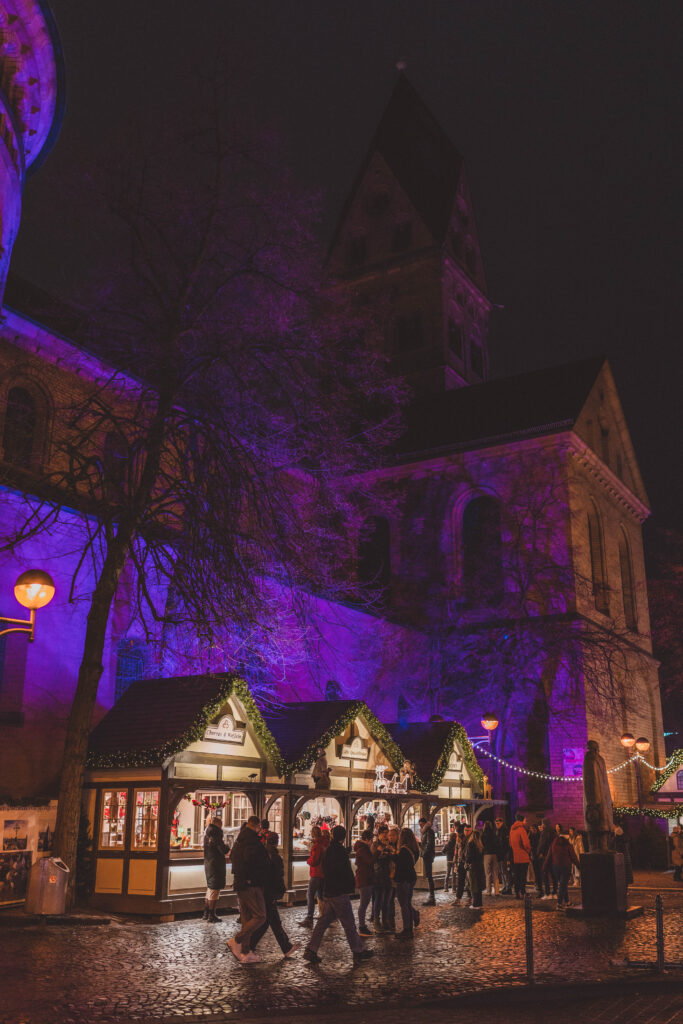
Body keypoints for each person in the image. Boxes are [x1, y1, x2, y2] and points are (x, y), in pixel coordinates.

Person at [303, 825, 373, 965]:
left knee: (323, 922)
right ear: (344, 837)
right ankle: (358, 950)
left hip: (329, 890)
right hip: (338, 892)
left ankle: (311, 950)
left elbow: (325, 868)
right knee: (349, 922)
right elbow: (343, 872)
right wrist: (349, 885)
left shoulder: (329, 850)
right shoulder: (339, 851)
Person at [227, 814, 271, 965]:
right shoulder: (252, 841)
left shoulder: (240, 839)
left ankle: (246, 952)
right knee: (260, 916)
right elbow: (254, 861)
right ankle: (237, 940)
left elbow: (232, 856)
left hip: (240, 883)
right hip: (251, 884)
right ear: (257, 826)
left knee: (247, 919)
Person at [249, 833, 297, 958]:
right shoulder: (275, 857)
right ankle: (246, 945)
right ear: (277, 842)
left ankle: (286, 947)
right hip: (270, 892)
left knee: (270, 921)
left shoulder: (262, 854)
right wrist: (280, 890)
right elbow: (277, 877)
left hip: (263, 891)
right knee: (269, 920)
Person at [543, 826, 579, 909]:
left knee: (563, 884)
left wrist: (544, 867)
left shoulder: (553, 844)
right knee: (563, 885)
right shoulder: (567, 845)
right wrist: (580, 866)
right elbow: (573, 857)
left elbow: (549, 856)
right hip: (566, 866)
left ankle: (567, 902)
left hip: (555, 867)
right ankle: (559, 903)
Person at [299, 825, 328, 928]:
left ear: (313, 834)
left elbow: (314, 861)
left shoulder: (317, 845)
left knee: (310, 895)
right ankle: (325, 917)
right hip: (324, 873)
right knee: (321, 896)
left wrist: (308, 860)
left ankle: (309, 918)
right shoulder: (325, 842)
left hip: (316, 873)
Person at [202, 815, 230, 922]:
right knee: (215, 889)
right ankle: (211, 915)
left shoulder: (207, 833)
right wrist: (227, 847)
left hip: (209, 863)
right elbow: (222, 849)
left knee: (210, 888)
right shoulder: (216, 833)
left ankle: (206, 913)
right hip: (216, 864)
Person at [395, 827, 420, 937]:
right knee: (407, 902)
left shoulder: (404, 850)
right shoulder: (414, 848)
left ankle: (407, 929)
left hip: (404, 879)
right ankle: (412, 918)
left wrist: (393, 856)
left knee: (404, 904)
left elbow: (401, 864)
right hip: (411, 877)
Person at [371, 822, 394, 932]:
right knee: (379, 899)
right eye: (383, 833)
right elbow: (373, 859)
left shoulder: (389, 844)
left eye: (387, 833)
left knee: (387, 900)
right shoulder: (375, 845)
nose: (385, 835)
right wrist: (382, 852)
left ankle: (385, 921)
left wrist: (390, 851)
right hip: (378, 875)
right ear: (379, 834)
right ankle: (376, 921)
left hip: (388, 875)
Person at [354, 827, 374, 936]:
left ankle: (362, 926)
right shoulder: (363, 849)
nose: (372, 843)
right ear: (367, 839)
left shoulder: (362, 848)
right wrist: (378, 852)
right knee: (364, 903)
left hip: (365, 878)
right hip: (364, 879)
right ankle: (361, 926)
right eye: (371, 840)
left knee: (364, 903)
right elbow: (370, 861)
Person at [509, 812, 532, 899]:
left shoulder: (512, 830)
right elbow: (526, 844)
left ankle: (517, 892)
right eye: (525, 820)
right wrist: (528, 850)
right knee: (523, 876)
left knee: (516, 876)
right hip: (523, 857)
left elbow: (510, 843)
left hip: (515, 857)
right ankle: (522, 892)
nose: (526, 822)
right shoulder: (522, 830)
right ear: (522, 820)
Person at [466, 826, 485, 910]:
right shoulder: (480, 845)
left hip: (473, 866)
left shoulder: (471, 844)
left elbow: (469, 856)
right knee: (479, 885)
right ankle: (479, 903)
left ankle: (475, 904)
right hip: (480, 866)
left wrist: (467, 861)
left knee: (473, 885)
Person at [537, 819, 557, 899]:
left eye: (542, 823)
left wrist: (539, 852)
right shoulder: (554, 832)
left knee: (545, 874)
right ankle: (555, 892)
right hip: (553, 855)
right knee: (553, 874)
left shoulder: (545, 832)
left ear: (544, 824)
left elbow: (542, 843)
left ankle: (548, 893)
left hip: (545, 855)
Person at [419, 816, 436, 905]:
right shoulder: (425, 832)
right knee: (429, 876)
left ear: (424, 823)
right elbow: (425, 844)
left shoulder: (429, 831)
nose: (420, 826)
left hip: (428, 856)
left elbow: (429, 844)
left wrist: (424, 853)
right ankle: (431, 896)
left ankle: (432, 897)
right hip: (427, 855)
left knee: (429, 876)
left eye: (421, 824)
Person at [495, 816, 512, 894]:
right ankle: (505, 886)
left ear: (502, 823)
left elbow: (505, 844)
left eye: (498, 823)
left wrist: (506, 854)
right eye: (496, 823)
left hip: (504, 854)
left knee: (505, 871)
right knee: (502, 871)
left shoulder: (504, 830)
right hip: (500, 854)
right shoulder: (498, 830)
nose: (497, 825)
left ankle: (508, 887)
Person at [481, 820, 499, 896]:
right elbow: (497, 843)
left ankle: (488, 891)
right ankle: (497, 891)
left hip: (486, 854)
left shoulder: (483, 835)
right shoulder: (494, 834)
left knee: (487, 873)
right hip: (494, 854)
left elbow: (482, 845)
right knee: (495, 873)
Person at [452, 823, 468, 904]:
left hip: (466, 861)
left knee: (467, 881)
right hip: (461, 861)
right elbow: (456, 850)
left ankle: (469, 898)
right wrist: (455, 861)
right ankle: (458, 898)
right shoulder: (459, 838)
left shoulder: (466, 838)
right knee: (461, 881)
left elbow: (458, 850)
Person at [443, 822, 457, 891]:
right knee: (454, 875)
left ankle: (446, 888)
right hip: (454, 860)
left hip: (448, 860)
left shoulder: (447, 844)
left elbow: (443, 851)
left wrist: (446, 854)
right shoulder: (456, 844)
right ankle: (454, 888)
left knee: (447, 874)